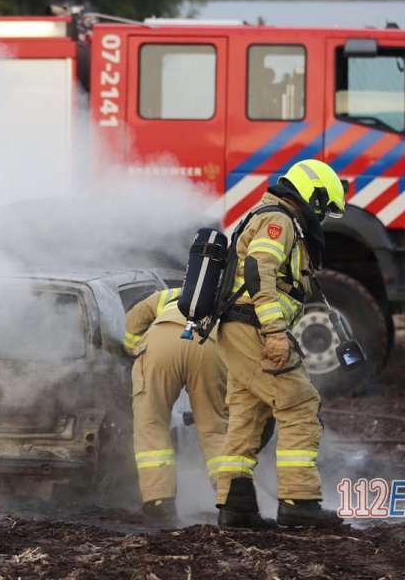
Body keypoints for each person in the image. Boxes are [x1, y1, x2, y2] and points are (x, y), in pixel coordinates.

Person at [212, 158, 345, 528]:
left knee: (247, 415)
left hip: (240, 329)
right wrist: (273, 331)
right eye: (323, 207)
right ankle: (299, 502)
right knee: (300, 405)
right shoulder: (280, 220)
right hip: (253, 329)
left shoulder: (274, 215)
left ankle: (235, 507)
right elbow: (258, 268)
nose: (322, 217)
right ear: (312, 195)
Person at [123, 287, 229, 522]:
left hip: (162, 344)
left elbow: (135, 317)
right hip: (210, 346)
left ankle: (159, 502)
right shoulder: (225, 297)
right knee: (214, 428)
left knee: (151, 424)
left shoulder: (164, 296)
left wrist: (133, 348)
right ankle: (231, 499)